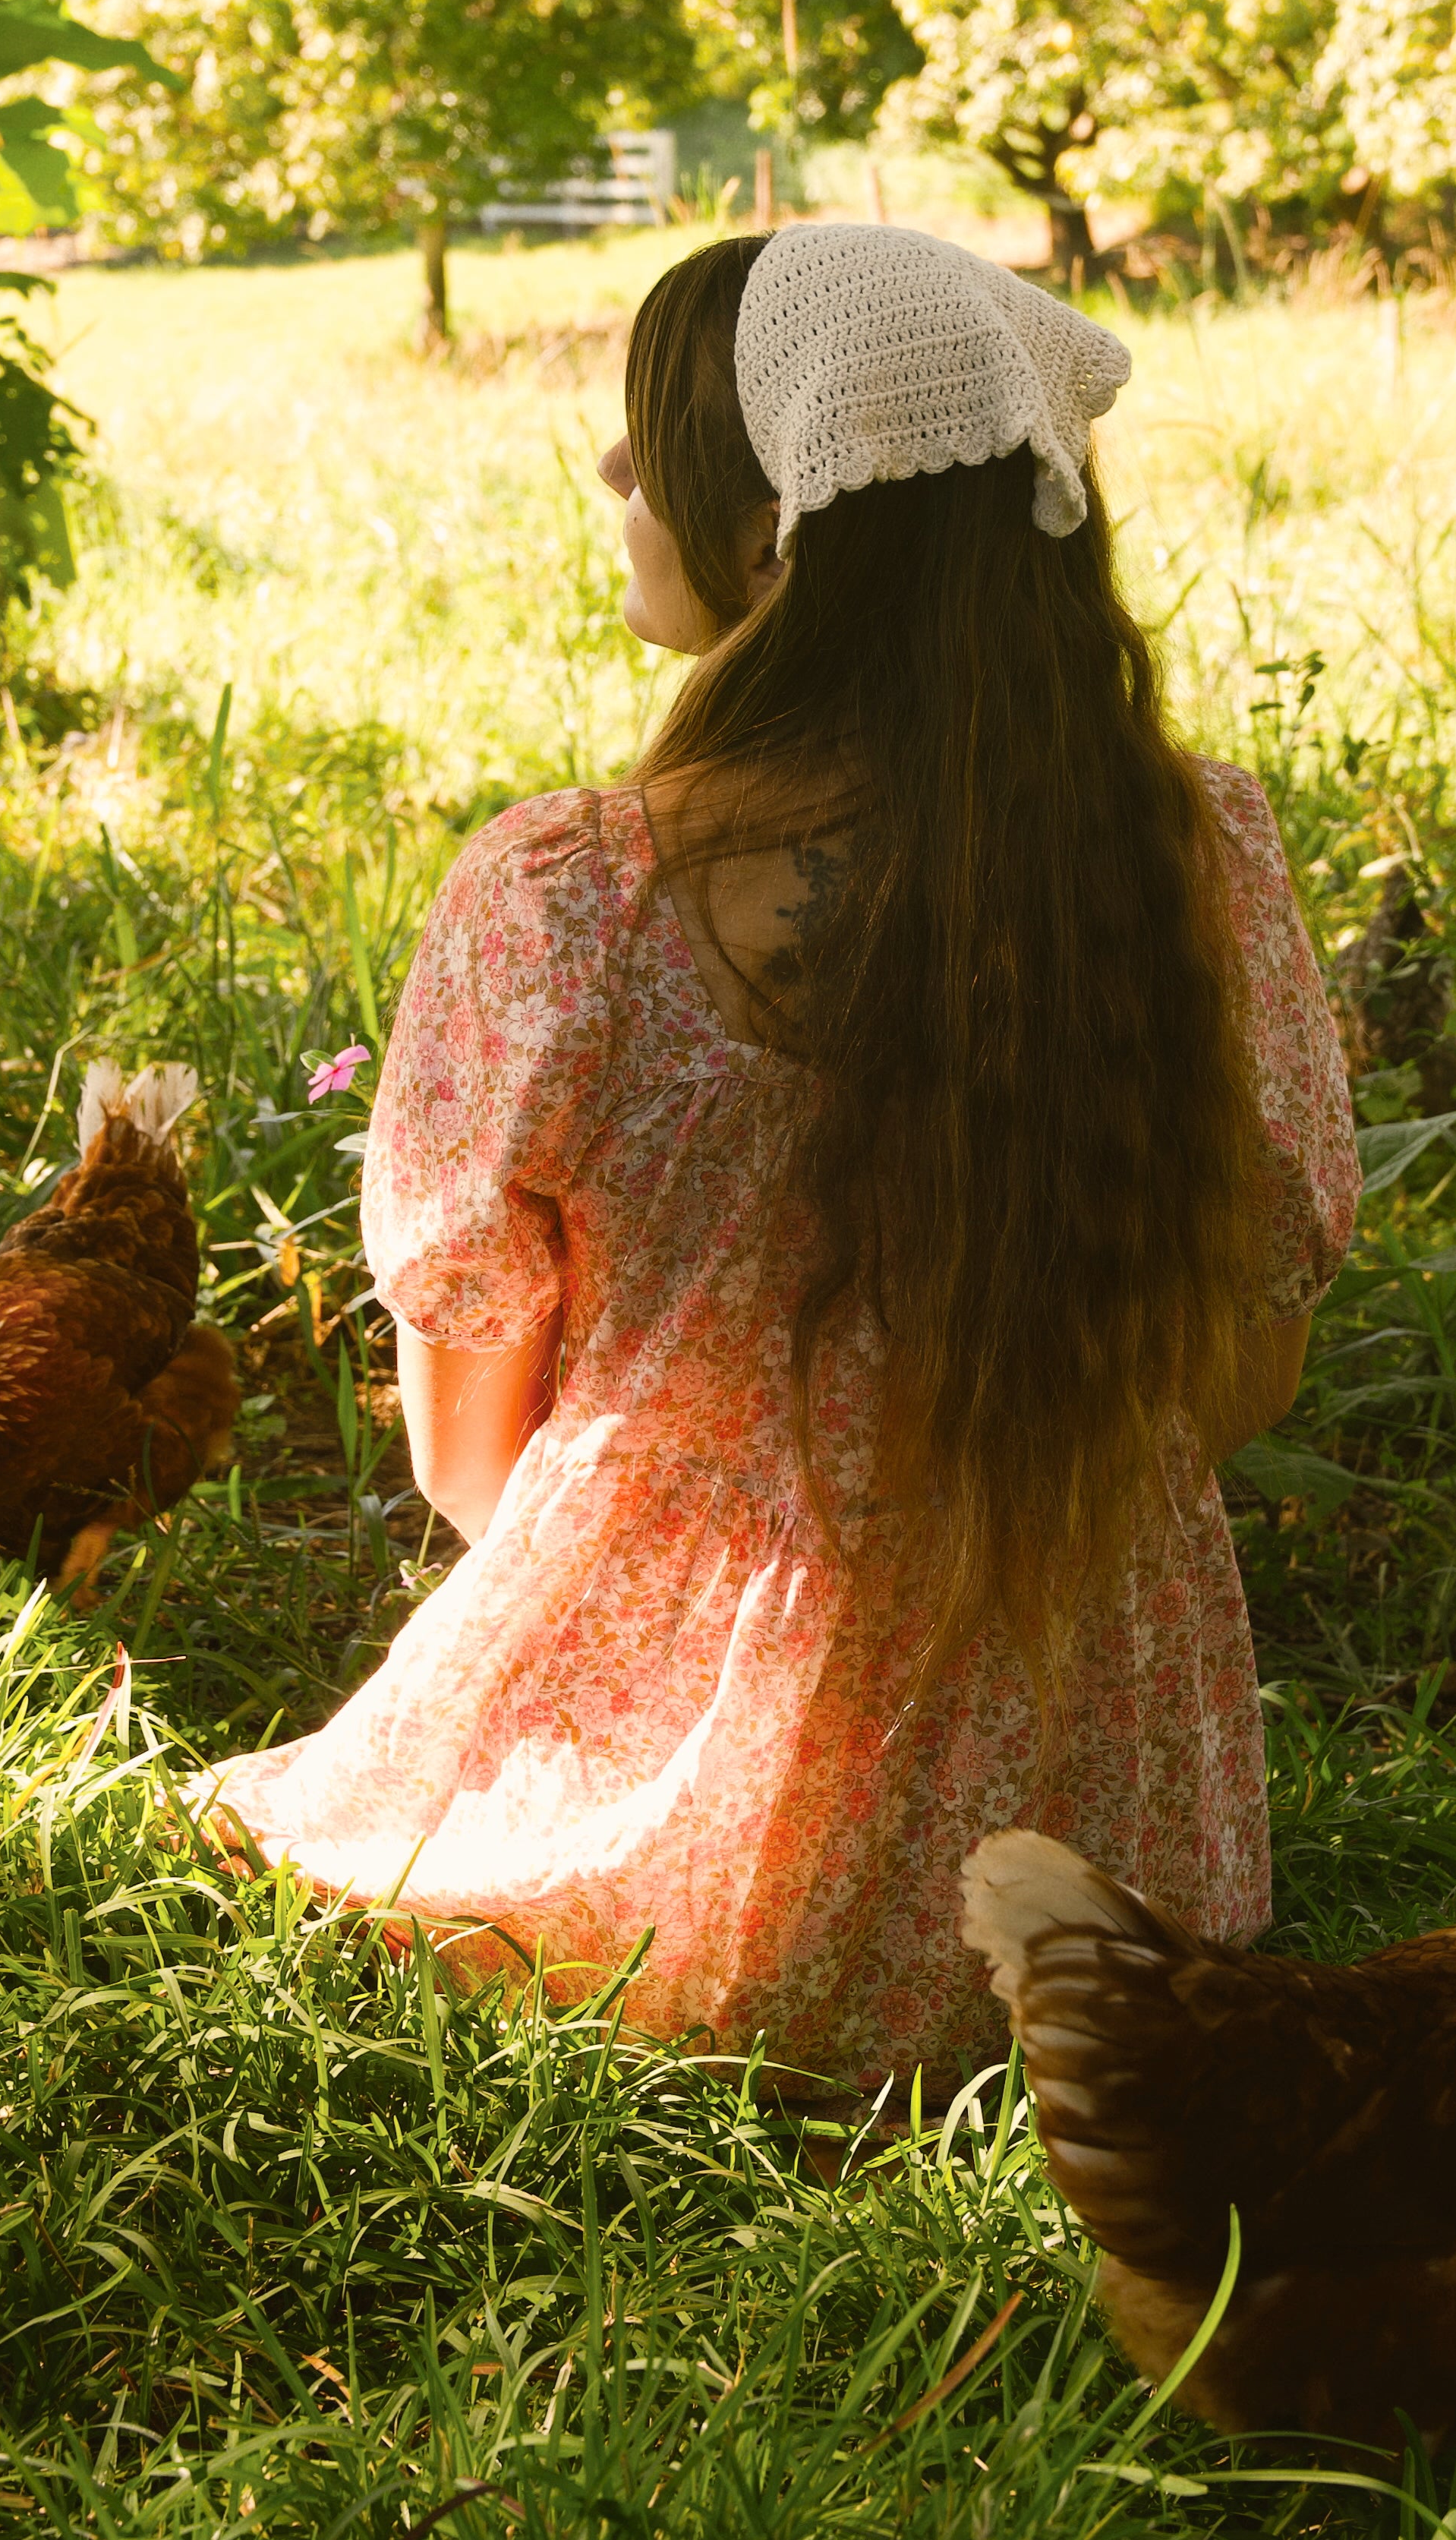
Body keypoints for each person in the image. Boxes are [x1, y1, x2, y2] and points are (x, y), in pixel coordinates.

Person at [190, 222, 1358, 2095]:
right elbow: (1238, 1375)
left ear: (771, 540)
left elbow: (465, 1464)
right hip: (1093, 1853)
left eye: (651, 441)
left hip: (670, 1845)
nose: (609, 474)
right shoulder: (1194, 868)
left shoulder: (569, 900)